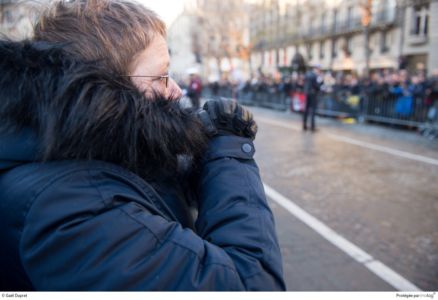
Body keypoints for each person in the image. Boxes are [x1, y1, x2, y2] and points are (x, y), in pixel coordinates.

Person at [0, 0, 285, 291]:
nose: (175, 91)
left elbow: (151, 195)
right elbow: (250, 284)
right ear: (104, 90)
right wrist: (230, 153)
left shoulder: (88, 151)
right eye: (160, 77)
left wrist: (196, 154)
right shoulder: (74, 210)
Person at [303, 65, 323, 131]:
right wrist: (320, 82)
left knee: (306, 109)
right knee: (313, 111)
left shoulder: (307, 74)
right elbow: (316, 86)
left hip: (307, 93)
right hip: (312, 94)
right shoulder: (314, 76)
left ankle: (304, 125)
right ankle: (312, 126)